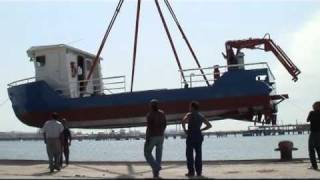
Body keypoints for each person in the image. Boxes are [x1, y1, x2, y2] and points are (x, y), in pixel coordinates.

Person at [182, 101, 212, 177]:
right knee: (198, 154)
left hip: (191, 136)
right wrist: (201, 130)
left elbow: (183, 121)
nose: (189, 108)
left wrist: (185, 130)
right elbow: (209, 125)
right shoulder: (201, 116)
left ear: (192, 107)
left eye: (190, 107)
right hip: (198, 136)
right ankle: (199, 172)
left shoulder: (189, 115)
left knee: (189, 155)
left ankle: (191, 172)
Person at [144, 99, 167, 178]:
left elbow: (149, 127)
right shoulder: (162, 113)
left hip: (152, 136)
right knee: (158, 156)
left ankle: (157, 167)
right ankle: (156, 174)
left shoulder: (150, 115)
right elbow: (165, 124)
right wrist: (161, 132)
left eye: (149, 105)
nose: (149, 106)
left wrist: (147, 138)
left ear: (151, 106)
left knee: (147, 153)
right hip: (161, 136)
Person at [307, 101, 320, 170]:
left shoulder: (311, 112)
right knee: (319, 149)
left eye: (314, 105)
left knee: (311, 149)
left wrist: (311, 115)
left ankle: (314, 166)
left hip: (313, 133)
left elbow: (307, 120)